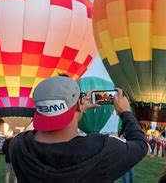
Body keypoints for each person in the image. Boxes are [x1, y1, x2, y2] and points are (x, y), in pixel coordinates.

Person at [10, 76, 148, 183]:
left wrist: (76, 106)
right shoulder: (101, 150)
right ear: (77, 105)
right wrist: (125, 112)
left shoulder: (18, 146)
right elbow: (141, 145)